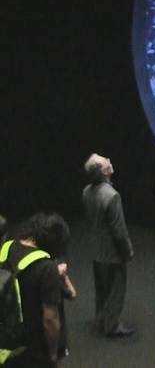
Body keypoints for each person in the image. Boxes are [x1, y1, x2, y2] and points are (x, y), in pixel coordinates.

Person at [2, 212, 70, 368]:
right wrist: (53, 353)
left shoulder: (7, 247)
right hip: (32, 348)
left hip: (6, 340)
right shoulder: (46, 268)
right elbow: (50, 320)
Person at [82, 154, 134, 337]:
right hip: (112, 252)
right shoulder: (112, 196)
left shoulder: (87, 191)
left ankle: (101, 319)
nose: (110, 160)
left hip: (96, 248)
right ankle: (112, 325)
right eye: (106, 161)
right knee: (115, 289)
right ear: (104, 172)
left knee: (101, 288)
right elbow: (119, 230)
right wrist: (127, 250)